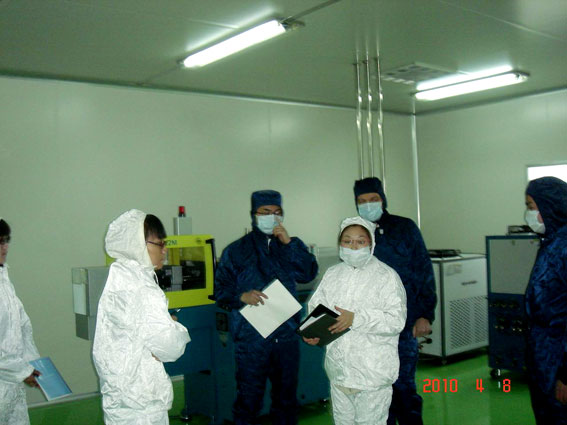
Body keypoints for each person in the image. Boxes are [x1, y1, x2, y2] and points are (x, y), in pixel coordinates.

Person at [214, 190, 318, 425]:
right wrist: (242, 296)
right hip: (252, 338)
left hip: (286, 336)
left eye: (277, 212)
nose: (272, 217)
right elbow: (220, 289)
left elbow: (308, 273)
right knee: (249, 400)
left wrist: (289, 244)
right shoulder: (236, 250)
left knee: (286, 399)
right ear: (254, 214)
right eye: (266, 212)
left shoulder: (291, 245)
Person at [304, 216, 406, 425]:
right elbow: (316, 310)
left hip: (372, 375)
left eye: (360, 241)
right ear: (340, 244)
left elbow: (396, 320)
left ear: (371, 244)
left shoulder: (386, 276)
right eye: (347, 241)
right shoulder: (333, 275)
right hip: (339, 372)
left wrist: (356, 319)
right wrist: (314, 333)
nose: (353, 246)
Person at [93, 209, 191, 425]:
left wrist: (164, 326)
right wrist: (175, 327)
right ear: (138, 244)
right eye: (160, 243)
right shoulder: (143, 287)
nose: (165, 250)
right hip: (142, 401)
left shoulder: (120, 276)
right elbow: (170, 348)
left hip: (122, 396)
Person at [353, 177, 436, 425]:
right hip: (369, 329)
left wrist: (425, 314)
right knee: (377, 394)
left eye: (373, 199)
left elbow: (423, 270)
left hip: (403, 324)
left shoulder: (404, 228)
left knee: (404, 389)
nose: (368, 205)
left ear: (383, 199)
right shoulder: (354, 233)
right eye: (362, 201)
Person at [524, 176, 567, 424]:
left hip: (558, 358)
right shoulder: (552, 242)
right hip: (543, 355)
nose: (528, 213)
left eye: (531, 206)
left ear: (550, 206)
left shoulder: (564, 246)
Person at [0, 218, 41, 425]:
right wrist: (23, 371)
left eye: (6, 240)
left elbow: (23, 326)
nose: (5, 247)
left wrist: (33, 363)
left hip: (11, 387)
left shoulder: (4, 280)